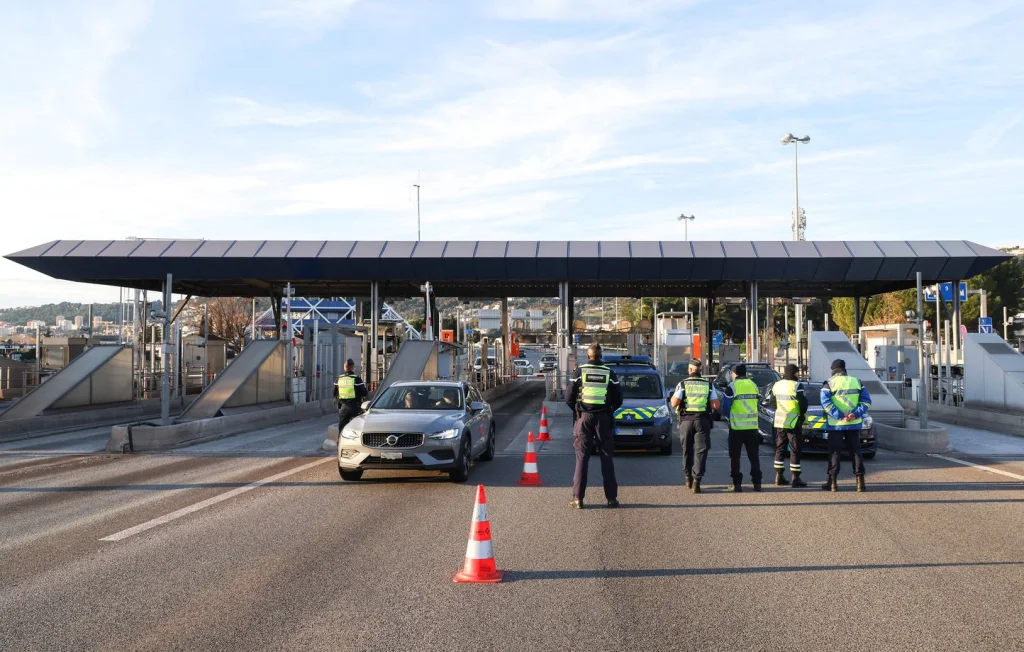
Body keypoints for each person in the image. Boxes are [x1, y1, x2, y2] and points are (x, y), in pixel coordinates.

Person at [565, 343, 623, 509]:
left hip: (584, 417)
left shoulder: (579, 372)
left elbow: (569, 397)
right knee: (606, 457)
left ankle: (578, 499)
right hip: (603, 418)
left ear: (588, 356)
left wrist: (578, 412)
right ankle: (611, 498)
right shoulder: (609, 373)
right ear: (601, 355)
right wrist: (608, 410)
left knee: (582, 457)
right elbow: (619, 399)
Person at [669, 358, 720, 494]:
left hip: (686, 421)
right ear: (700, 371)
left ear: (690, 370)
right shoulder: (708, 385)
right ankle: (697, 480)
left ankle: (688, 477)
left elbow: (674, 403)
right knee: (701, 451)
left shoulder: (683, 384)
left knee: (687, 450)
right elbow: (715, 405)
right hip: (703, 421)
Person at [821, 359, 871, 492]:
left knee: (834, 453)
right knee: (856, 453)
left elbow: (826, 404)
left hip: (836, 425)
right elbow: (866, 402)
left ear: (834, 370)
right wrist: (854, 414)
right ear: (844, 369)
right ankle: (860, 482)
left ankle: (832, 482)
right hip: (853, 424)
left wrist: (840, 415)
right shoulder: (857, 382)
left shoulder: (829, 384)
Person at [723, 363, 763, 492]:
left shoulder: (732, 387)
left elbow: (726, 407)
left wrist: (728, 419)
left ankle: (737, 484)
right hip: (752, 428)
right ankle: (757, 483)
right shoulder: (754, 385)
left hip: (736, 428)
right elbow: (758, 403)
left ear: (735, 373)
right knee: (754, 456)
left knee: (735, 457)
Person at [771, 363, 808, 488]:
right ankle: (795, 478)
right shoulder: (797, 385)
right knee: (794, 449)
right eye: (798, 372)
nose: (799, 374)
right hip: (793, 421)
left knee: (780, 448)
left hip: (780, 420)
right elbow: (803, 403)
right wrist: (802, 414)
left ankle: (779, 476)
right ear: (794, 373)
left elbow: (772, 402)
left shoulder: (777, 385)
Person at [336, 359, 368, 432]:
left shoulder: (339, 379)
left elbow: (334, 393)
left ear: (345, 367)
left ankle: (340, 441)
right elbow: (364, 393)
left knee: (342, 430)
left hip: (343, 407)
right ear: (353, 367)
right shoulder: (356, 379)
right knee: (357, 429)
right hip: (355, 408)